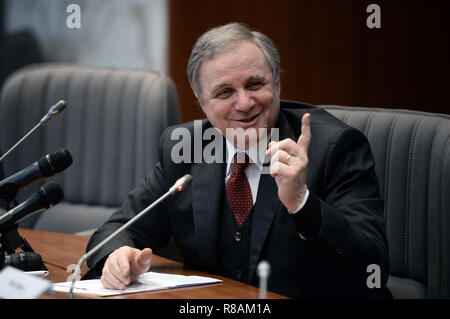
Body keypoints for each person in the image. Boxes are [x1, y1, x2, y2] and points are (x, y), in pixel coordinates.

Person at [84, 23, 391, 299]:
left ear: (278, 85)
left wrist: (302, 202)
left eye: (255, 84)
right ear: (202, 103)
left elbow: (372, 267)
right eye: (225, 91)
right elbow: (117, 230)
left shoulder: (334, 147)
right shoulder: (187, 147)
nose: (244, 103)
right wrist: (117, 256)